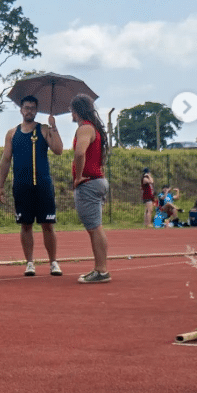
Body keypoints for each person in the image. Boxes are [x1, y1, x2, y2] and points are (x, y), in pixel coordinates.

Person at [0, 95, 64, 277]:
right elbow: (5, 159)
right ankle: (30, 263)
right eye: (26, 108)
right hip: (22, 185)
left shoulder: (43, 129)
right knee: (25, 225)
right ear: (21, 110)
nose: (29, 111)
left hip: (42, 184)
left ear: (37, 110)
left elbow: (58, 150)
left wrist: (54, 126)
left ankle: (53, 262)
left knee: (47, 224)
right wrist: (0, 186)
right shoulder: (12, 133)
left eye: (33, 108)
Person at [70, 94, 111, 284]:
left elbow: (80, 153)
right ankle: (100, 269)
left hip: (89, 183)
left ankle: (101, 270)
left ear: (76, 110)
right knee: (96, 227)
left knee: (95, 228)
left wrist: (78, 177)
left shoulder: (84, 128)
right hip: (97, 180)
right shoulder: (93, 128)